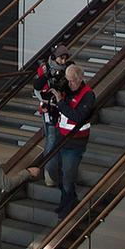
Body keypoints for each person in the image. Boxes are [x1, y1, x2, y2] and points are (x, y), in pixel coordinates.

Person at [50, 64, 96, 218]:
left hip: (76, 141)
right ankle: (67, 197)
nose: (70, 84)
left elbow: (78, 117)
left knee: (68, 174)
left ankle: (68, 204)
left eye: (72, 81)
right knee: (53, 168)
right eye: (68, 81)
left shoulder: (88, 95)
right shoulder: (66, 90)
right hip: (61, 137)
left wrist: (60, 103)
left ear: (80, 78)